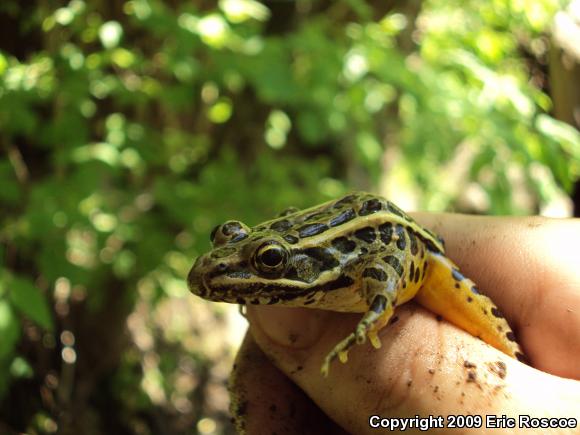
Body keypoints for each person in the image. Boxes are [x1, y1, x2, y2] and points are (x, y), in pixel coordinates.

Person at [229, 214, 580, 434]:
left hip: (410, 246)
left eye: (269, 259)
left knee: (509, 352)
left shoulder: (346, 265)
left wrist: (377, 310)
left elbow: (384, 260)